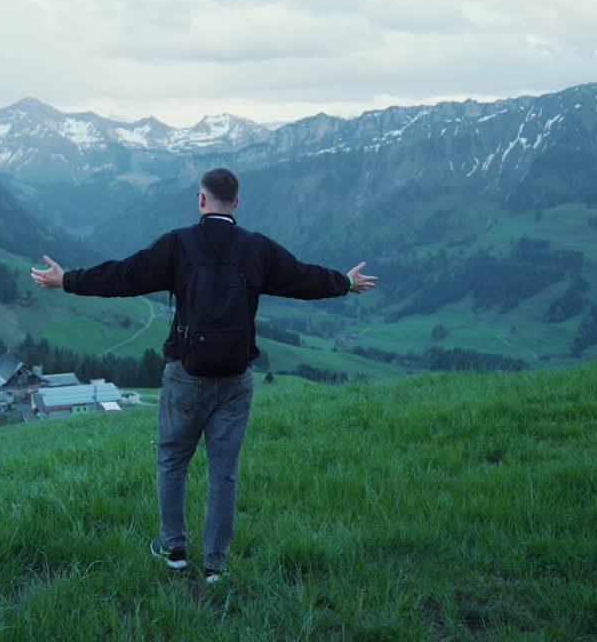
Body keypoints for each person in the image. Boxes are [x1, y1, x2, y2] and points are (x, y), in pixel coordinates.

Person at [30, 167, 376, 583]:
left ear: (201, 200)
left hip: (185, 375)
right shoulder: (257, 248)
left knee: (173, 459)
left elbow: (124, 276)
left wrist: (66, 279)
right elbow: (302, 277)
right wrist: (345, 283)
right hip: (236, 377)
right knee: (223, 472)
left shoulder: (178, 243)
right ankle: (215, 564)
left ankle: (174, 548)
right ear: (237, 202)